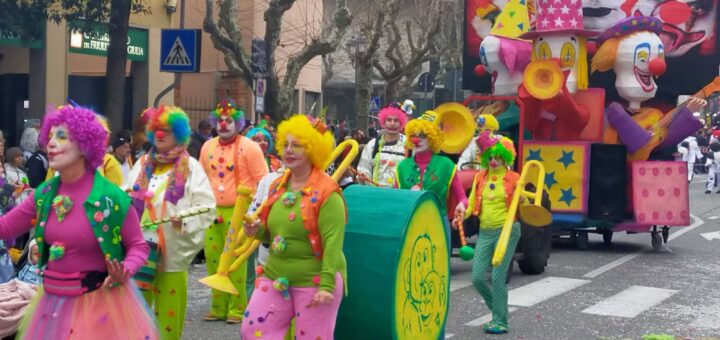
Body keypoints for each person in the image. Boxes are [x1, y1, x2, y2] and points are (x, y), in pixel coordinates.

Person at [0, 104, 157, 338]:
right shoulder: (45, 193)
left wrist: (125, 269)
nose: (51, 143)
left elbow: (138, 245)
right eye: (50, 136)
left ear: (85, 145)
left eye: (61, 136)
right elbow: (5, 227)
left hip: (97, 306)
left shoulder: (110, 198)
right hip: (51, 305)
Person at [241, 115, 347, 339]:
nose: (288, 151)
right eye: (285, 145)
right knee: (254, 331)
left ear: (312, 149)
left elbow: (333, 243)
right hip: (275, 275)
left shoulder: (329, 192)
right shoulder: (278, 185)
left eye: (296, 145)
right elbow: (271, 235)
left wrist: (327, 285)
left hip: (315, 280)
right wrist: (257, 231)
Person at [124, 105, 216, 340]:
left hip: (173, 255)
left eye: (167, 130)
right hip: (141, 251)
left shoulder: (191, 167)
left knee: (168, 318)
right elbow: (124, 195)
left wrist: (183, 221)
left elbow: (207, 207)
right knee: (137, 315)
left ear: (179, 134)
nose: (161, 135)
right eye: (157, 130)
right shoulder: (143, 164)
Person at [198, 99, 268, 324]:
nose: (223, 124)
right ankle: (217, 307)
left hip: (240, 212)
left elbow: (263, 181)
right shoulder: (207, 146)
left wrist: (257, 212)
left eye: (229, 120)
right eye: (220, 120)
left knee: (235, 262)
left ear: (237, 123)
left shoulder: (250, 147)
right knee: (213, 259)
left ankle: (237, 309)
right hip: (213, 212)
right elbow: (200, 179)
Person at [462, 137, 522, 334]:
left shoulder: (514, 178)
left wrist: (522, 198)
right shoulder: (481, 177)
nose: (493, 161)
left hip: (507, 231)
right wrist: (462, 214)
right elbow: (471, 203)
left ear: (505, 158)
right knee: (477, 277)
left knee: (497, 277)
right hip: (485, 232)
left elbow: (528, 204)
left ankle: (500, 320)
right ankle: (498, 310)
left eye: (498, 157)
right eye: (490, 157)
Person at [395, 110, 468, 224]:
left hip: (437, 225)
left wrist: (461, 205)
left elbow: (462, 198)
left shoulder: (446, 165)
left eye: (423, 136)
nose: (416, 140)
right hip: (409, 225)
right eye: (413, 135)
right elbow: (395, 199)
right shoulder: (402, 167)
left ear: (433, 138)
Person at [357, 105, 408, 187]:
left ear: (401, 123)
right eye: (389, 120)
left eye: (396, 120)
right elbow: (364, 168)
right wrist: (364, 177)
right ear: (384, 122)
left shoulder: (409, 145)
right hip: (377, 195)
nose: (392, 124)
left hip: (401, 195)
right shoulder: (372, 145)